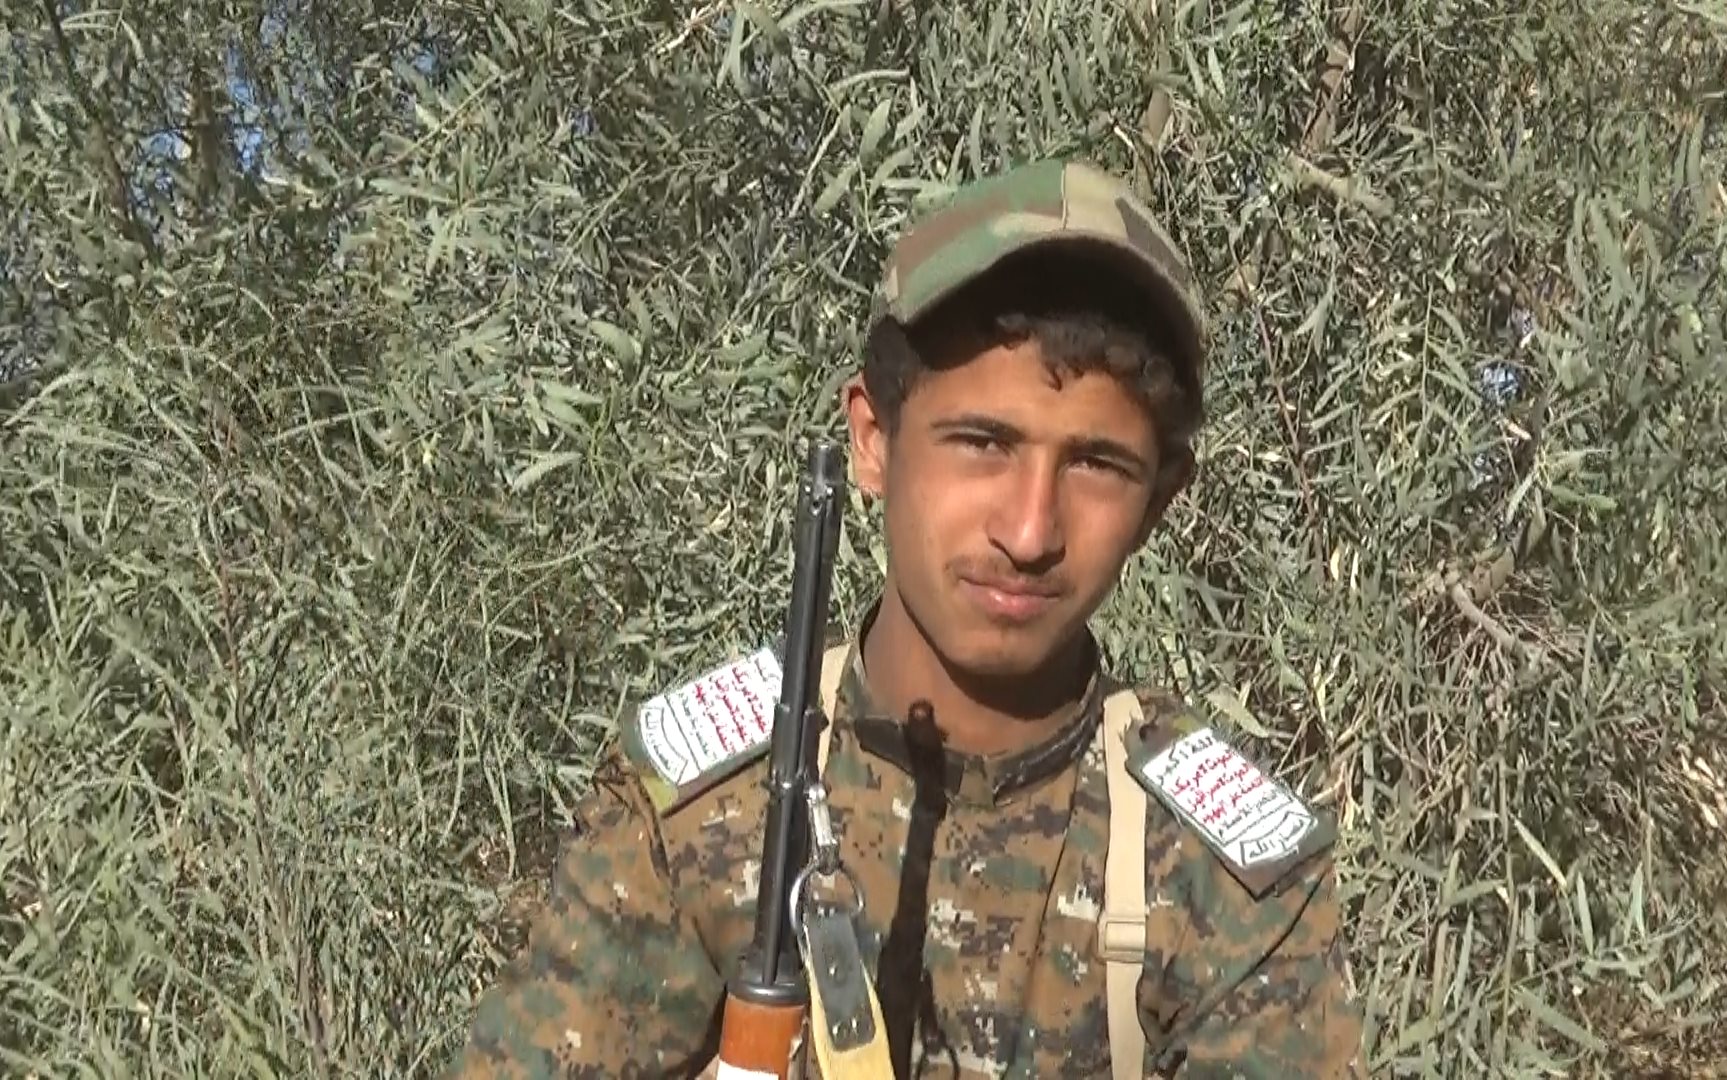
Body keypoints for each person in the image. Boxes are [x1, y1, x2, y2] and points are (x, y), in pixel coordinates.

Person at [444, 159, 1363, 1079]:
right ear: (873, 441)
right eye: (983, 443)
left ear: (1159, 500)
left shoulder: (1221, 872)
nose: (1029, 532)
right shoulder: (700, 808)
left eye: (1095, 465)